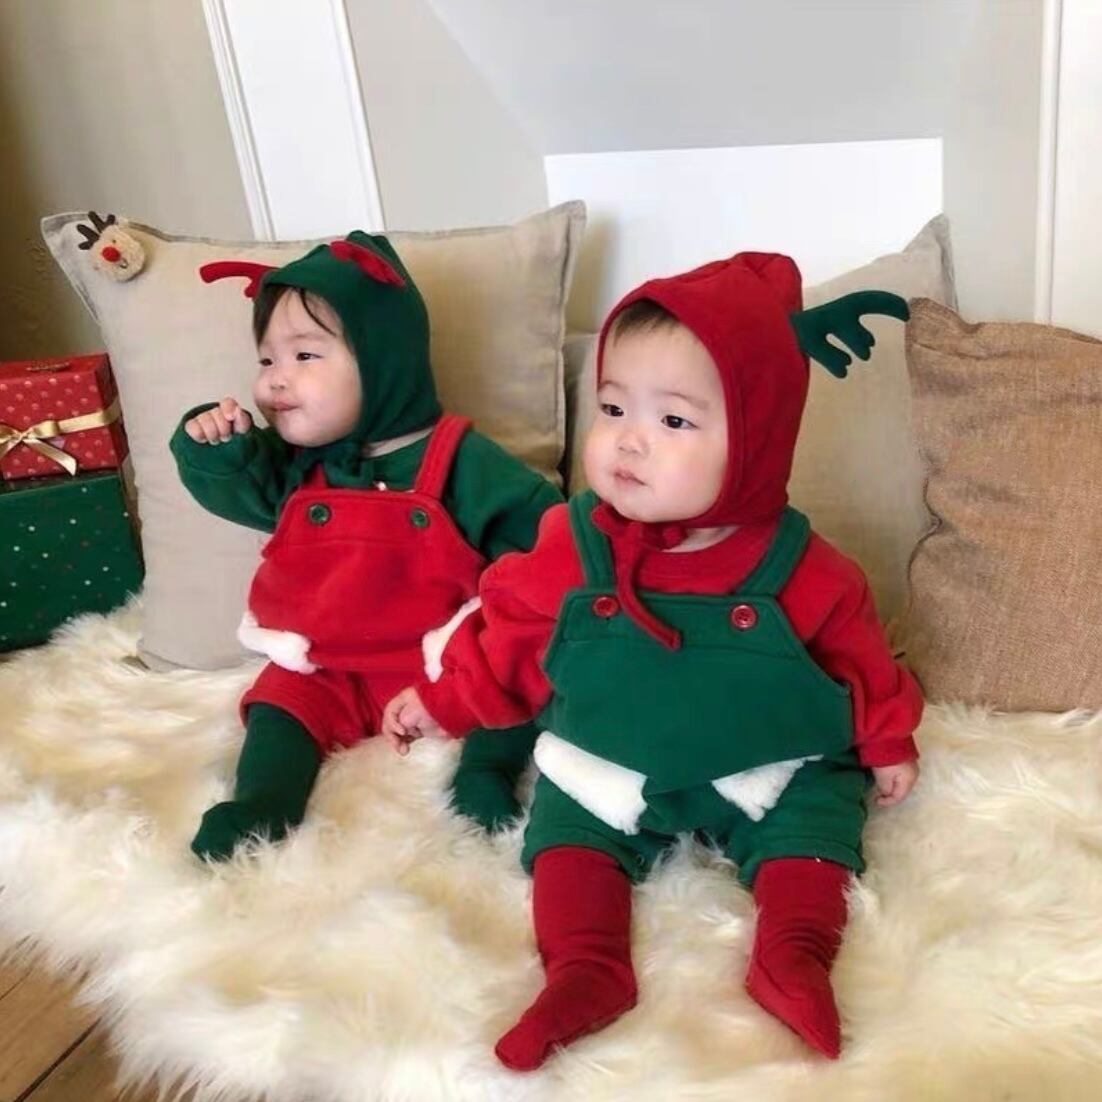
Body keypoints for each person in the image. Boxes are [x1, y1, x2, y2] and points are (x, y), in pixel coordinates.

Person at [381, 252, 923, 1069]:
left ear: (756, 441)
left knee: (817, 820)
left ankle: (795, 952)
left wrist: (887, 741)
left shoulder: (805, 568)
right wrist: (443, 701)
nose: (628, 440)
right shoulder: (573, 544)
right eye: (612, 407)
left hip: (765, 763)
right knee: (567, 835)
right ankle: (585, 968)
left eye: (673, 421)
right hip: (612, 762)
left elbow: (861, 660)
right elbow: (507, 637)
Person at [170, 232, 559, 860]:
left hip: (439, 664)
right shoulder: (295, 466)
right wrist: (218, 448)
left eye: (304, 355)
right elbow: (240, 492)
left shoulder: (461, 460)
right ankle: (264, 803)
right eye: (267, 361)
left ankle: (484, 775)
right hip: (326, 666)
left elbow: (544, 550)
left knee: (514, 682)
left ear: (383, 362)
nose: (275, 381)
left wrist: (505, 638)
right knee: (276, 706)